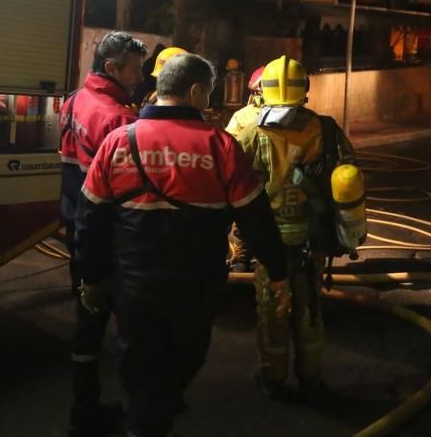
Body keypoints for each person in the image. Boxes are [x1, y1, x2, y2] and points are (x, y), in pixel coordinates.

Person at [73, 53, 289, 437]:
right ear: (194, 91)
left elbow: (89, 220)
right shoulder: (220, 146)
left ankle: (150, 415)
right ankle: (149, 421)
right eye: (208, 91)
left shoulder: (118, 143)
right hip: (195, 288)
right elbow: (256, 218)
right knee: (183, 359)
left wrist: (90, 278)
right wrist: (278, 272)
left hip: (133, 287)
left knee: (139, 362)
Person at [231, 55, 356, 403]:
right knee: (309, 310)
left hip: (268, 244)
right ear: (305, 90)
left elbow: (232, 183)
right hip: (313, 241)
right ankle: (311, 378)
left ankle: (272, 377)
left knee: (272, 310)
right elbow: (348, 175)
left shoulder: (252, 132)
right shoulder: (326, 129)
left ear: (263, 92)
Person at [59, 30, 147, 437]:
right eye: (134, 69)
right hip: (112, 239)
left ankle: (82, 405)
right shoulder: (119, 119)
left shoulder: (75, 99)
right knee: (131, 329)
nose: (140, 77)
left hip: (77, 226)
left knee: (87, 324)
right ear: (111, 68)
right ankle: (138, 415)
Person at [225, 67, 266, 272]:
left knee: (243, 225)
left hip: (248, 187)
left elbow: (228, 153)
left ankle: (241, 261)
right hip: (286, 193)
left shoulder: (242, 117)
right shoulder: (303, 120)